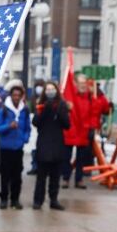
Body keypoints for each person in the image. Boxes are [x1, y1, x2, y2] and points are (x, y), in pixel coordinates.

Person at [32, 81, 71, 210]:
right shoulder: (40, 104)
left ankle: (53, 200)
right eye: (47, 89)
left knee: (55, 176)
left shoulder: (61, 105)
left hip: (57, 146)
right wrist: (44, 111)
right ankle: (38, 200)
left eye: (52, 89)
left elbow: (67, 124)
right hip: (44, 145)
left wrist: (58, 113)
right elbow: (35, 122)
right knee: (41, 177)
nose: (50, 91)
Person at [0, 84, 31, 210]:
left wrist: (24, 139)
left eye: (18, 95)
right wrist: (8, 126)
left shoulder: (24, 110)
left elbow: (27, 128)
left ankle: (15, 199)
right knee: (5, 175)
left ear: (21, 97)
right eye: (14, 95)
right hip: (5, 148)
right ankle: (4, 199)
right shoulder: (4, 109)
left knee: (17, 176)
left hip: (18, 148)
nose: (16, 97)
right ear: (11, 95)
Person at [62, 73, 93, 189]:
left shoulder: (90, 97)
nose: (83, 85)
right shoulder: (69, 96)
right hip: (70, 129)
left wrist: (91, 127)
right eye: (80, 83)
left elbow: (93, 113)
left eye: (84, 83)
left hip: (83, 130)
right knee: (66, 156)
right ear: (75, 84)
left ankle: (79, 179)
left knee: (81, 158)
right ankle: (66, 178)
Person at [26, 79, 46, 175]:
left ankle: (41, 168)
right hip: (34, 124)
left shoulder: (46, 99)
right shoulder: (33, 98)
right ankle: (34, 166)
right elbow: (30, 111)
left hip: (44, 127)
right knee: (34, 146)